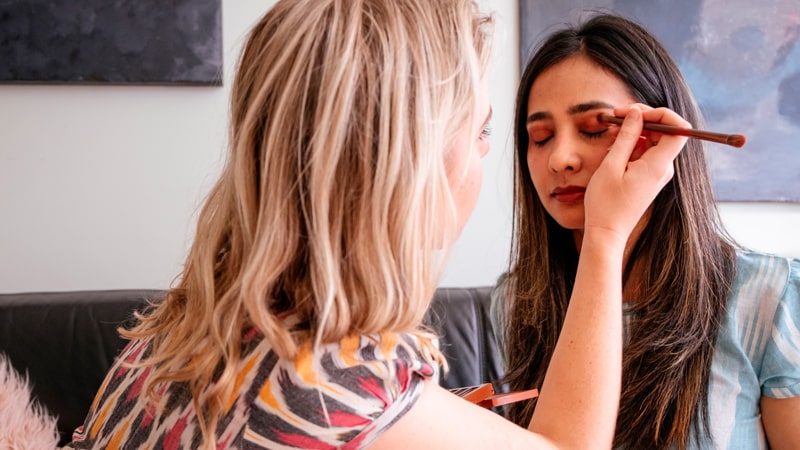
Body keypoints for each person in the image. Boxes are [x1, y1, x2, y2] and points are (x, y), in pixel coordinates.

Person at [47, 2, 686, 449]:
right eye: (486, 130)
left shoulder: (184, 329)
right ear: (408, 157)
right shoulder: (330, 377)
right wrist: (604, 238)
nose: (493, 154)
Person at [493, 12, 800, 450]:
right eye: (540, 137)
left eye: (595, 128)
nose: (561, 157)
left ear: (659, 139)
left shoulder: (770, 297)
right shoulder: (518, 301)